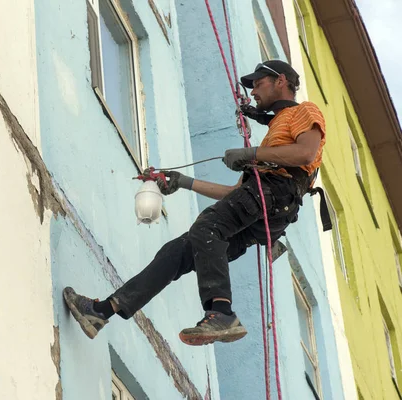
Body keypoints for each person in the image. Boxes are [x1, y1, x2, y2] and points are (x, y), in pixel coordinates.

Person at [63, 60, 326, 346]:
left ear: (281, 81)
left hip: (278, 193)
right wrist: (184, 182)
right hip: (266, 203)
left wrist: (253, 153)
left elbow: (305, 154)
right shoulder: (275, 132)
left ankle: (222, 313)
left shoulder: (304, 112)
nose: (253, 94)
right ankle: (101, 312)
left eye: (258, 84)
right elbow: (233, 195)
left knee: (208, 227)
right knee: (178, 251)